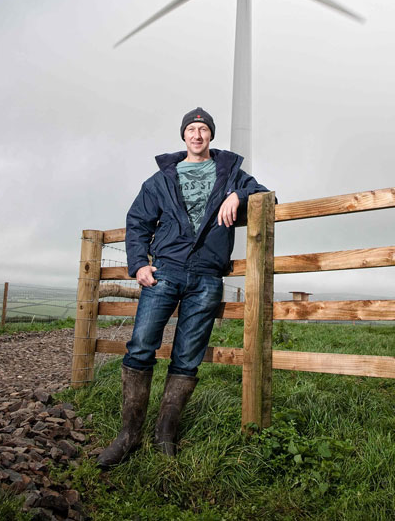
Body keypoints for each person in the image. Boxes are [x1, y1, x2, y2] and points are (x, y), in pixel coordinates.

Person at [97, 107, 272, 467]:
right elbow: (138, 222)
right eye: (191, 129)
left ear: (211, 136)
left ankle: (165, 436)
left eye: (203, 129)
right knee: (142, 345)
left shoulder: (230, 174)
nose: (197, 135)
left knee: (188, 356)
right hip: (165, 272)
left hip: (207, 276)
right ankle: (128, 436)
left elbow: (265, 193)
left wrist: (237, 195)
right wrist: (139, 265)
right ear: (183, 136)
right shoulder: (161, 179)